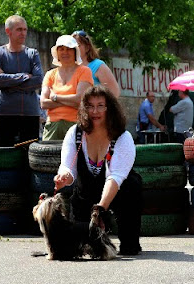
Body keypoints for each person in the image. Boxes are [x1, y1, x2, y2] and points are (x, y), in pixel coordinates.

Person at [54, 86, 142, 255]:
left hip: (117, 191)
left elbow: (115, 177)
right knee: (77, 247)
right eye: (90, 106)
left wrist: (100, 209)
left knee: (132, 185)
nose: (95, 111)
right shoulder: (75, 133)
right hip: (85, 193)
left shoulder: (123, 138)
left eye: (100, 105)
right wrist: (65, 176)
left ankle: (129, 240)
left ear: (109, 108)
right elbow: (68, 166)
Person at [0, 15, 43, 147]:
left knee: (30, 159)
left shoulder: (32, 54)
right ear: (8, 31)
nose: (23, 33)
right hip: (4, 113)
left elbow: (38, 81)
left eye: (25, 29)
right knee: (3, 159)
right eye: (19, 29)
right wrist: (25, 76)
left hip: (30, 113)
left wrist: (9, 83)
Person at [40, 35, 93, 141]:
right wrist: (70, 102)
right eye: (61, 49)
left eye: (69, 49)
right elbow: (43, 103)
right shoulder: (50, 74)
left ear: (75, 52)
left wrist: (55, 97)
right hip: (52, 126)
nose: (65, 52)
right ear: (57, 53)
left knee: (75, 157)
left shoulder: (84, 71)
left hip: (75, 125)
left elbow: (80, 100)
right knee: (47, 157)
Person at [71, 30, 120, 98]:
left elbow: (114, 92)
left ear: (87, 47)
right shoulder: (68, 67)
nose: (74, 48)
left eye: (78, 45)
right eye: (71, 46)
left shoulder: (98, 66)